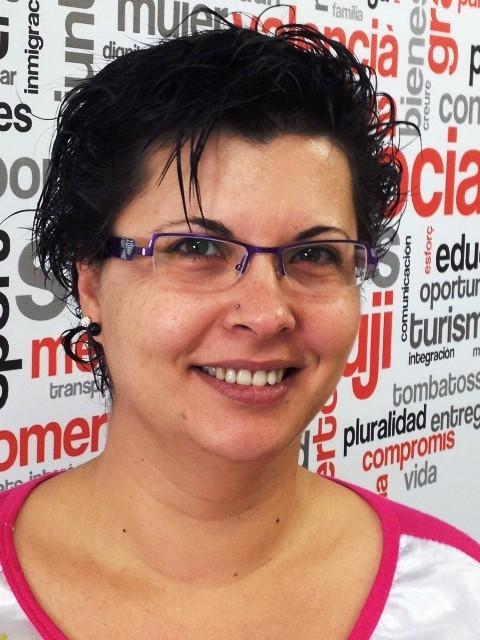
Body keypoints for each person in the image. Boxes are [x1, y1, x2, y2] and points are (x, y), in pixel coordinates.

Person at [1, 12, 479, 640]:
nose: (266, 314)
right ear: (91, 282)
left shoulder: (452, 599)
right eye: (196, 248)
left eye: (314, 254)